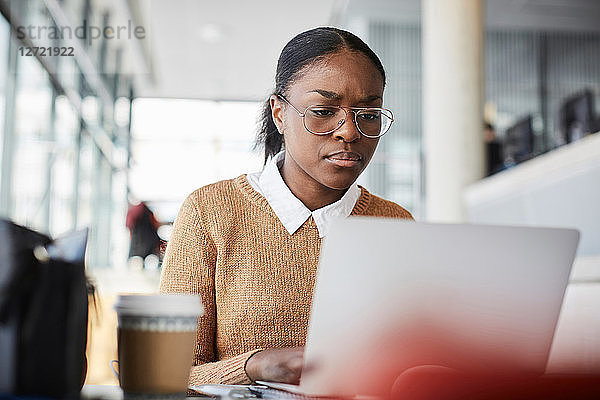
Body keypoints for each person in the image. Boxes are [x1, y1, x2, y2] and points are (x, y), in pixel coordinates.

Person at [159, 27, 413, 386]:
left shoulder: (396, 224)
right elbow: (165, 374)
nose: (350, 132)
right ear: (279, 113)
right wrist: (252, 367)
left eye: (369, 115)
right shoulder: (210, 212)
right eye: (324, 111)